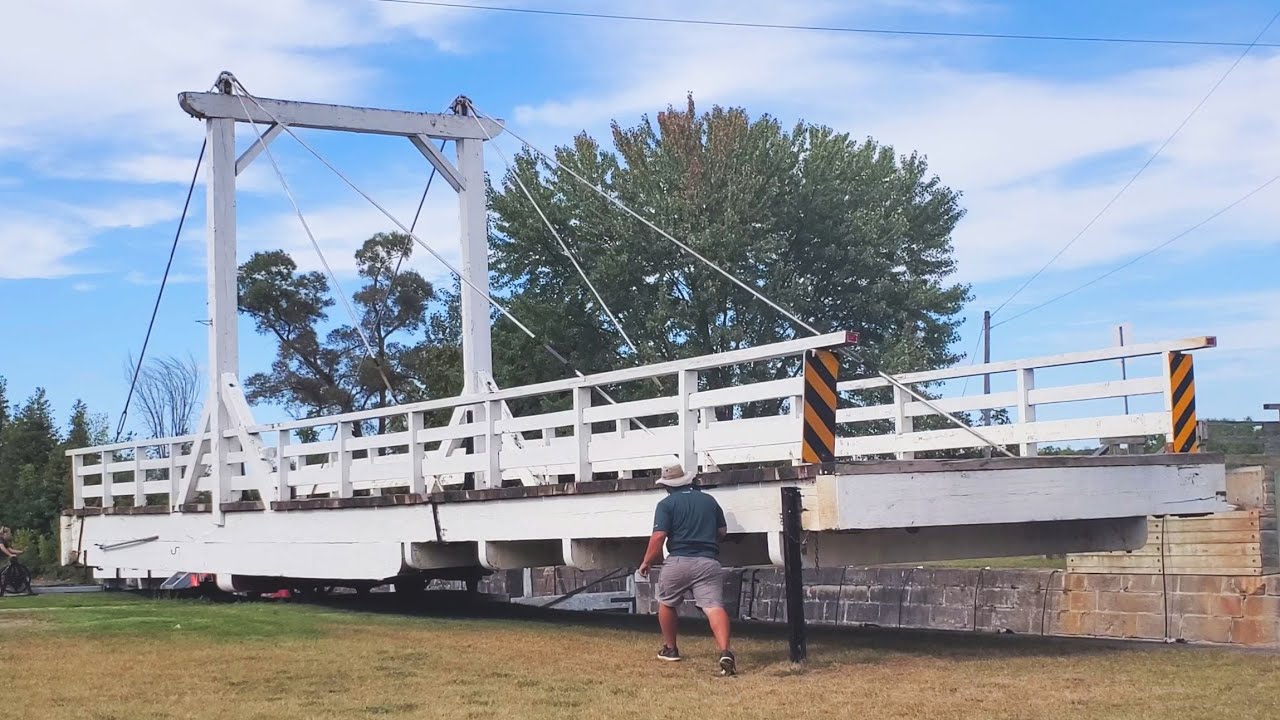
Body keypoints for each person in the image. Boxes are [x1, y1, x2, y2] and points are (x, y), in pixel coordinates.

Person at [638, 462, 736, 675]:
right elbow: (722, 531)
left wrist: (647, 561)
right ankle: (725, 651)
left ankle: (671, 649)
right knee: (713, 606)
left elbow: (659, 536)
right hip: (708, 562)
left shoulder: (666, 504)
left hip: (679, 560)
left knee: (666, 602)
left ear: (668, 486)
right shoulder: (709, 501)